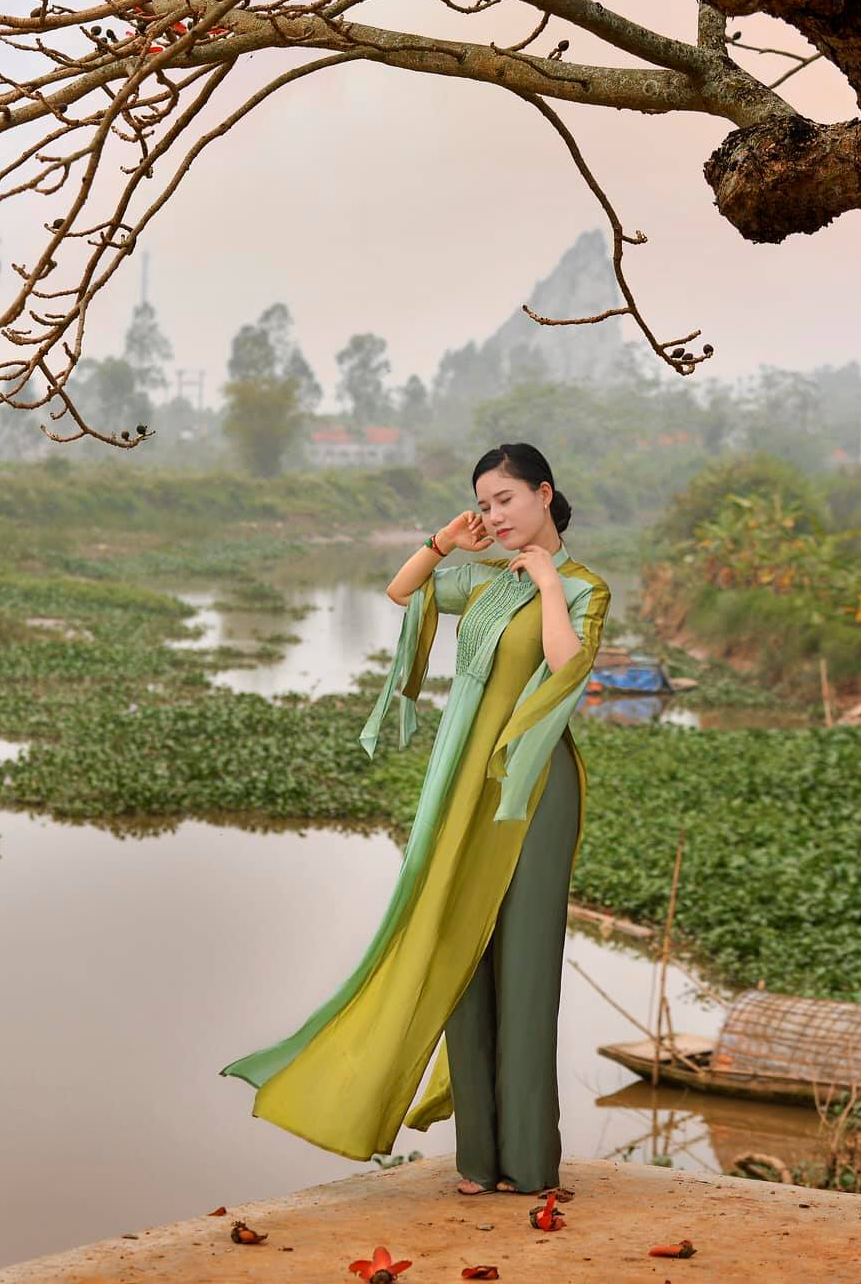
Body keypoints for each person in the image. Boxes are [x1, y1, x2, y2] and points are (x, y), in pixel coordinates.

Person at [220, 442, 610, 1198]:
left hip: (528, 790)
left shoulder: (583, 587)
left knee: (524, 970)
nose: (494, 515)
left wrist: (550, 585)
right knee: (449, 949)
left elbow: (566, 668)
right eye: (484, 503)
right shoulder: (489, 582)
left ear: (544, 493)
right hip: (458, 781)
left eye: (503, 499)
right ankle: (478, 1160)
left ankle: (529, 1163)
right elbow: (403, 591)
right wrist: (443, 542)